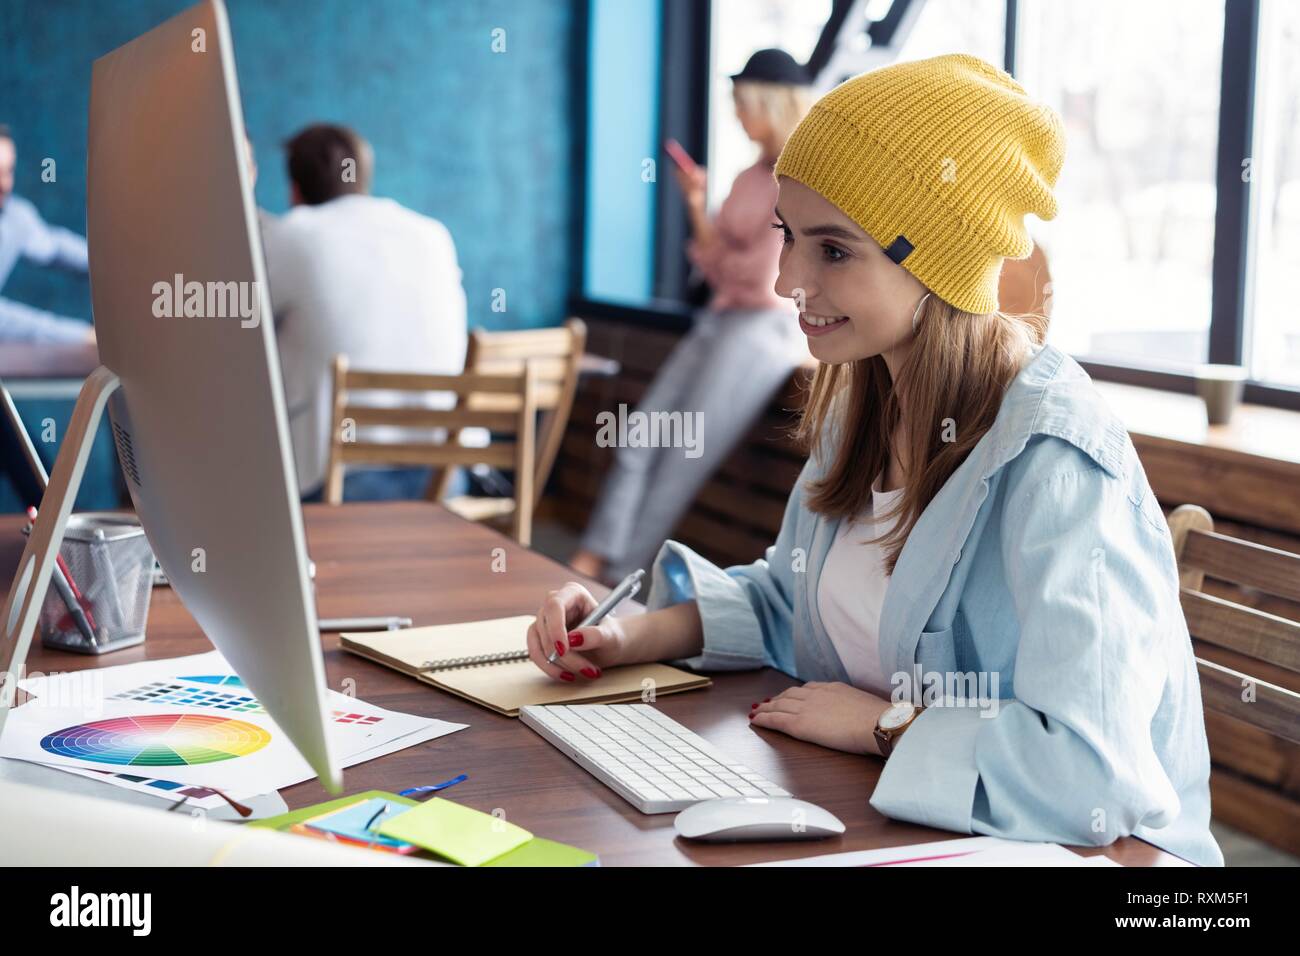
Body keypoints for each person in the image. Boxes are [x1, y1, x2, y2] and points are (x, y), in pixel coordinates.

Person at [525, 54, 1222, 867]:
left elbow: (1093, 775)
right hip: (904, 831)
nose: (787, 279)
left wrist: (885, 726)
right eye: (790, 236)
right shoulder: (861, 400)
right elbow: (797, 602)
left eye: (833, 251)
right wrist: (629, 634)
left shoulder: (1059, 462)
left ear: (938, 266)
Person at [569, 49, 813, 585]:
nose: (734, 114)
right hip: (721, 319)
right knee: (642, 433)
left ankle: (617, 579)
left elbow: (758, 278)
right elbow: (720, 264)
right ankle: (594, 556)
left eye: (740, 103)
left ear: (768, 104)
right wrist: (697, 204)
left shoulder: (798, 179)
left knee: (682, 456)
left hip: (761, 332)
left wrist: (720, 251)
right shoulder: (751, 177)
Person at [260, 124, 470, 500]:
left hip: (339, 487)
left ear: (295, 190)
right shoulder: (433, 235)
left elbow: (238, 330)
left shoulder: (292, 234)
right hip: (444, 482)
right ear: (364, 178)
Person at [0, 125, 95, 344]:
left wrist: (123, 269)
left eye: (8, 171)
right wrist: (82, 336)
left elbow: (55, 248)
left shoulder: (14, 215)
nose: (4, 184)